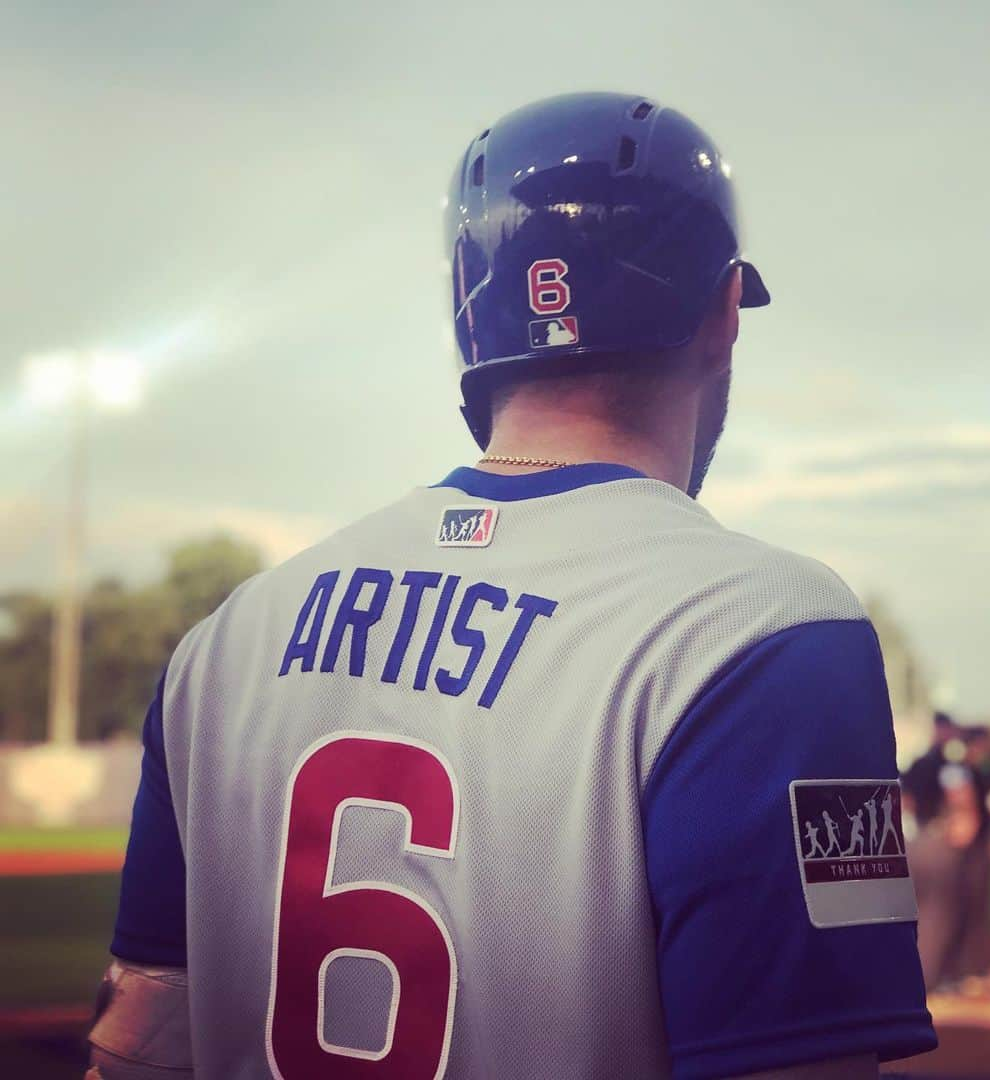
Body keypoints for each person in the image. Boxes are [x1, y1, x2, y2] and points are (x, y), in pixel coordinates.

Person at [86, 92, 936, 1079]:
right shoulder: (766, 634)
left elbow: (137, 1045)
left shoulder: (226, 640)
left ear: (469, 322)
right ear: (721, 319)